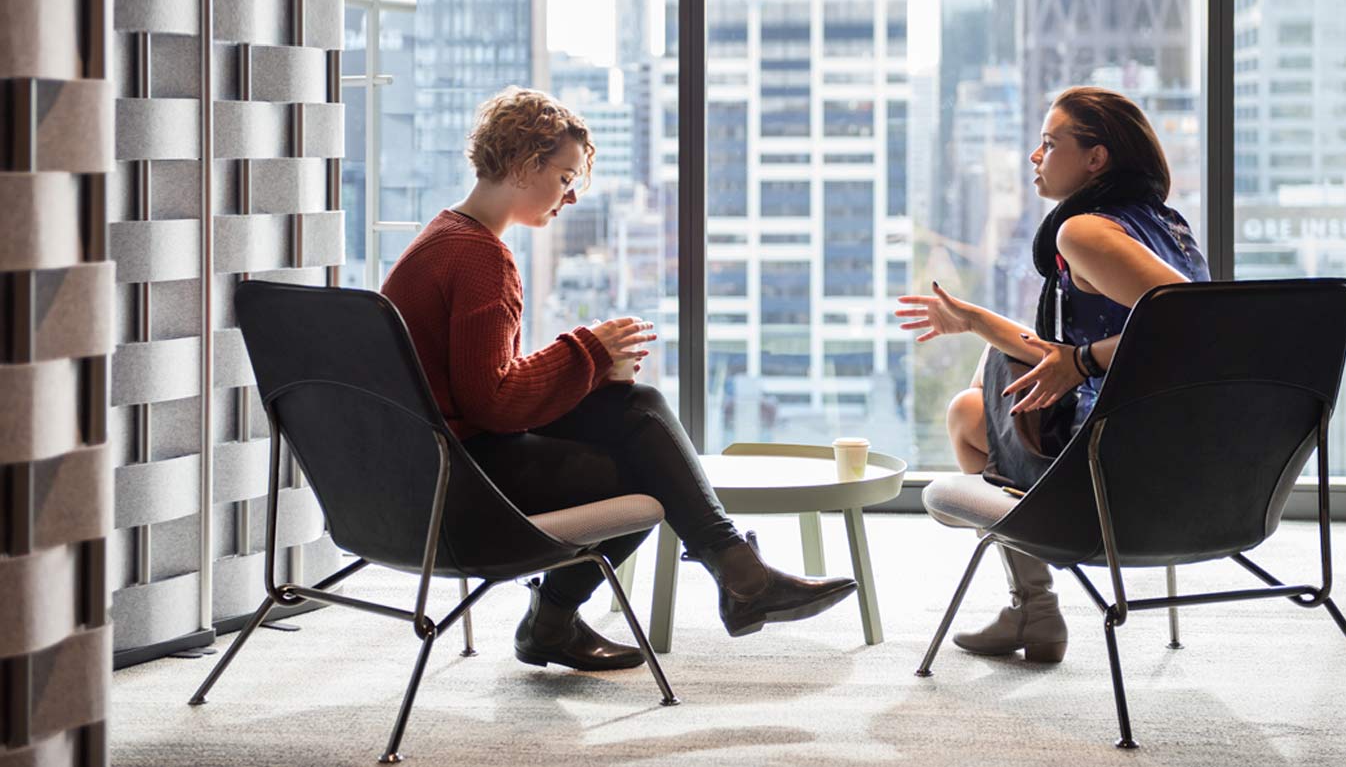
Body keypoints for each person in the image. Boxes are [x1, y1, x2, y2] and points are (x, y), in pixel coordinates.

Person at [381, 87, 856, 673]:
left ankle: (733, 575)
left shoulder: (443, 239)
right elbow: (493, 401)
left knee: (634, 405)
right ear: (528, 164)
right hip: (458, 487)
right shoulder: (480, 258)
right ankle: (591, 610)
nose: (572, 196)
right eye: (564, 178)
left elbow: (476, 389)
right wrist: (586, 349)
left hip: (418, 474)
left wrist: (594, 369)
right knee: (645, 476)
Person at [895, 85, 1209, 663]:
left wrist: (1083, 362)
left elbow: (1193, 325)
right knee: (992, 371)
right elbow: (1077, 348)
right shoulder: (1163, 225)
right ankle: (1031, 607)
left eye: (1048, 143)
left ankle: (1032, 604)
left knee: (968, 413)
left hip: (1120, 468)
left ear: (1096, 159)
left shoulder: (1083, 230)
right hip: (1189, 460)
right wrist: (974, 320)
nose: (1034, 157)